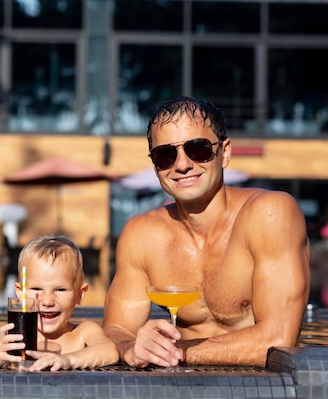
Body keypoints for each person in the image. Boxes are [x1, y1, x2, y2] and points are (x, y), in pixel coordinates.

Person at [103, 96, 311, 368]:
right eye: (165, 155)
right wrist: (131, 347)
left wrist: (174, 353)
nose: (182, 164)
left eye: (197, 149)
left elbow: (278, 341)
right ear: (155, 166)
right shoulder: (142, 235)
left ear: (224, 152)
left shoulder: (270, 214)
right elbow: (116, 330)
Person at [0, 235, 119, 371]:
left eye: (60, 290)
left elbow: (109, 351)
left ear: (80, 294)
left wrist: (68, 360)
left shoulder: (83, 333)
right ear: (20, 292)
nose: (47, 301)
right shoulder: (13, 337)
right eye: (36, 289)